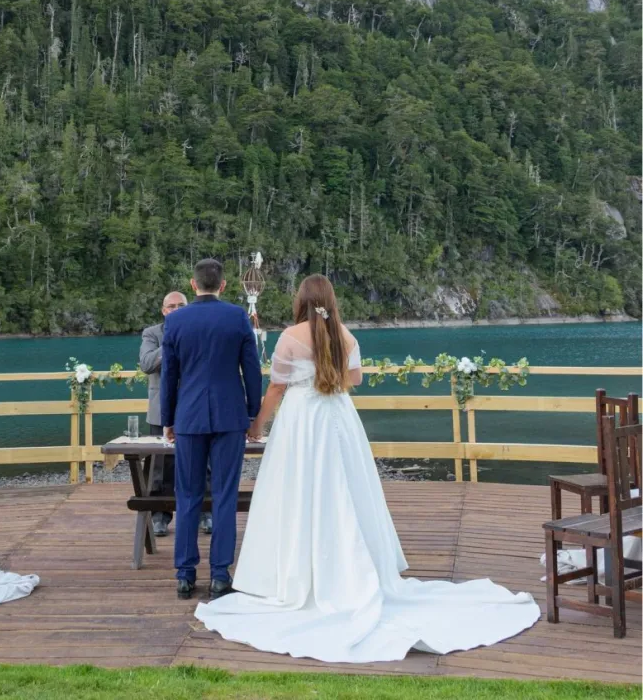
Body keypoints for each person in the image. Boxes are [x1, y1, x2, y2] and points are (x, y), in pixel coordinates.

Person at [196, 274, 541, 663]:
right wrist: (328, 380)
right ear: (329, 300)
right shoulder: (344, 334)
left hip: (302, 423)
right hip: (337, 417)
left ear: (302, 300)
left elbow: (276, 387)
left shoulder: (291, 337)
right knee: (347, 488)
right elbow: (355, 378)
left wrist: (256, 424)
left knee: (297, 490)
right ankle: (358, 566)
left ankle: (295, 573)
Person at [160, 258, 262, 601]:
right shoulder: (236, 317)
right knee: (224, 495)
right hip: (229, 415)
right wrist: (251, 413)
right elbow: (252, 369)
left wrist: (168, 419)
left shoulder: (176, 321)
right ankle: (220, 575)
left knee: (187, 495)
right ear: (222, 285)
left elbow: (169, 375)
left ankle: (185, 576)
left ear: (193, 285)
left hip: (188, 417)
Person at [140, 291, 211, 537]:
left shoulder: (198, 329)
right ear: (163, 310)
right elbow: (147, 363)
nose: (177, 309)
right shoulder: (152, 333)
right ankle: (160, 516)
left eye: (182, 305)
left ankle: (205, 512)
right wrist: (169, 341)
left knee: (202, 463)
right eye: (172, 306)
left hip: (195, 406)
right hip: (162, 410)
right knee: (161, 467)